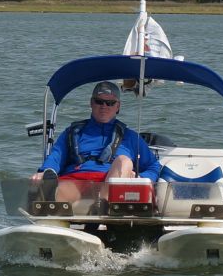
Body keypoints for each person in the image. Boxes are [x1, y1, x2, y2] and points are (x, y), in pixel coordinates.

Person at [31, 81, 161, 205]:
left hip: (110, 183)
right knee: (55, 193)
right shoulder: (73, 132)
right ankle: (51, 211)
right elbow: (56, 156)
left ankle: (102, 206)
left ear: (118, 106)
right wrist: (45, 171)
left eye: (110, 103)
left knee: (124, 161)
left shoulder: (131, 137)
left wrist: (141, 178)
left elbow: (154, 166)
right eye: (99, 101)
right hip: (77, 179)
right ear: (91, 103)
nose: (104, 106)